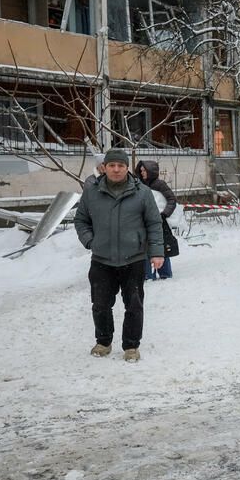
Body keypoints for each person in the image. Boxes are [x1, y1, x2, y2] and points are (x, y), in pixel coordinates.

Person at [74, 148, 164, 363]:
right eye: (112, 165)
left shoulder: (142, 192)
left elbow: (154, 223)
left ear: (126, 168)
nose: (116, 169)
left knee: (133, 304)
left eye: (121, 166)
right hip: (101, 260)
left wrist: (157, 252)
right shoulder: (92, 191)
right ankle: (103, 342)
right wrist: (90, 241)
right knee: (100, 304)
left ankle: (131, 346)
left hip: (133, 259)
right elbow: (81, 220)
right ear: (104, 167)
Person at [135, 160, 177, 280]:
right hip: (144, 221)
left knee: (160, 247)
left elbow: (172, 200)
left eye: (144, 170)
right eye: (141, 170)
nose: (142, 173)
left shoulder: (159, 184)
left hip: (160, 222)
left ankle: (165, 274)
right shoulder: (139, 185)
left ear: (151, 171)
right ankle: (148, 275)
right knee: (145, 247)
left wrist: (164, 214)